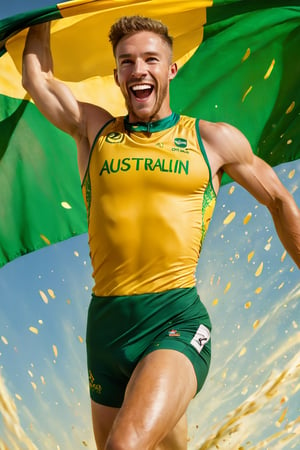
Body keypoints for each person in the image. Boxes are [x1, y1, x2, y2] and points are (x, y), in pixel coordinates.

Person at [22, 15, 300, 450]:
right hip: (107, 332)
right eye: (127, 61)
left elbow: (280, 200)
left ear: (170, 69)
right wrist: (44, 17)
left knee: (125, 445)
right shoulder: (94, 130)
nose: (138, 70)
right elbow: (38, 80)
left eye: (151, 58)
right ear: (116, 75)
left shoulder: (212, 140)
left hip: (176, 321)